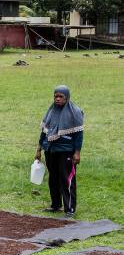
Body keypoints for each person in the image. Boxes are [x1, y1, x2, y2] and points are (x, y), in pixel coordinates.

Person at [35, 85, 83, 218]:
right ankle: (55, 205)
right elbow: (44, 132)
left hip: (66, 151)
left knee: (66, 179)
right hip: (50, 149)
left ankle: (70, 209)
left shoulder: (75, 113)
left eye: (60, 96)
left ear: (67, 98)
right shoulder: (51, 111)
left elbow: (79, 135)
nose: (57, 99)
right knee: (53, 178)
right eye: (55, 96)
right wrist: (39, 149)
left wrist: (77, 152)